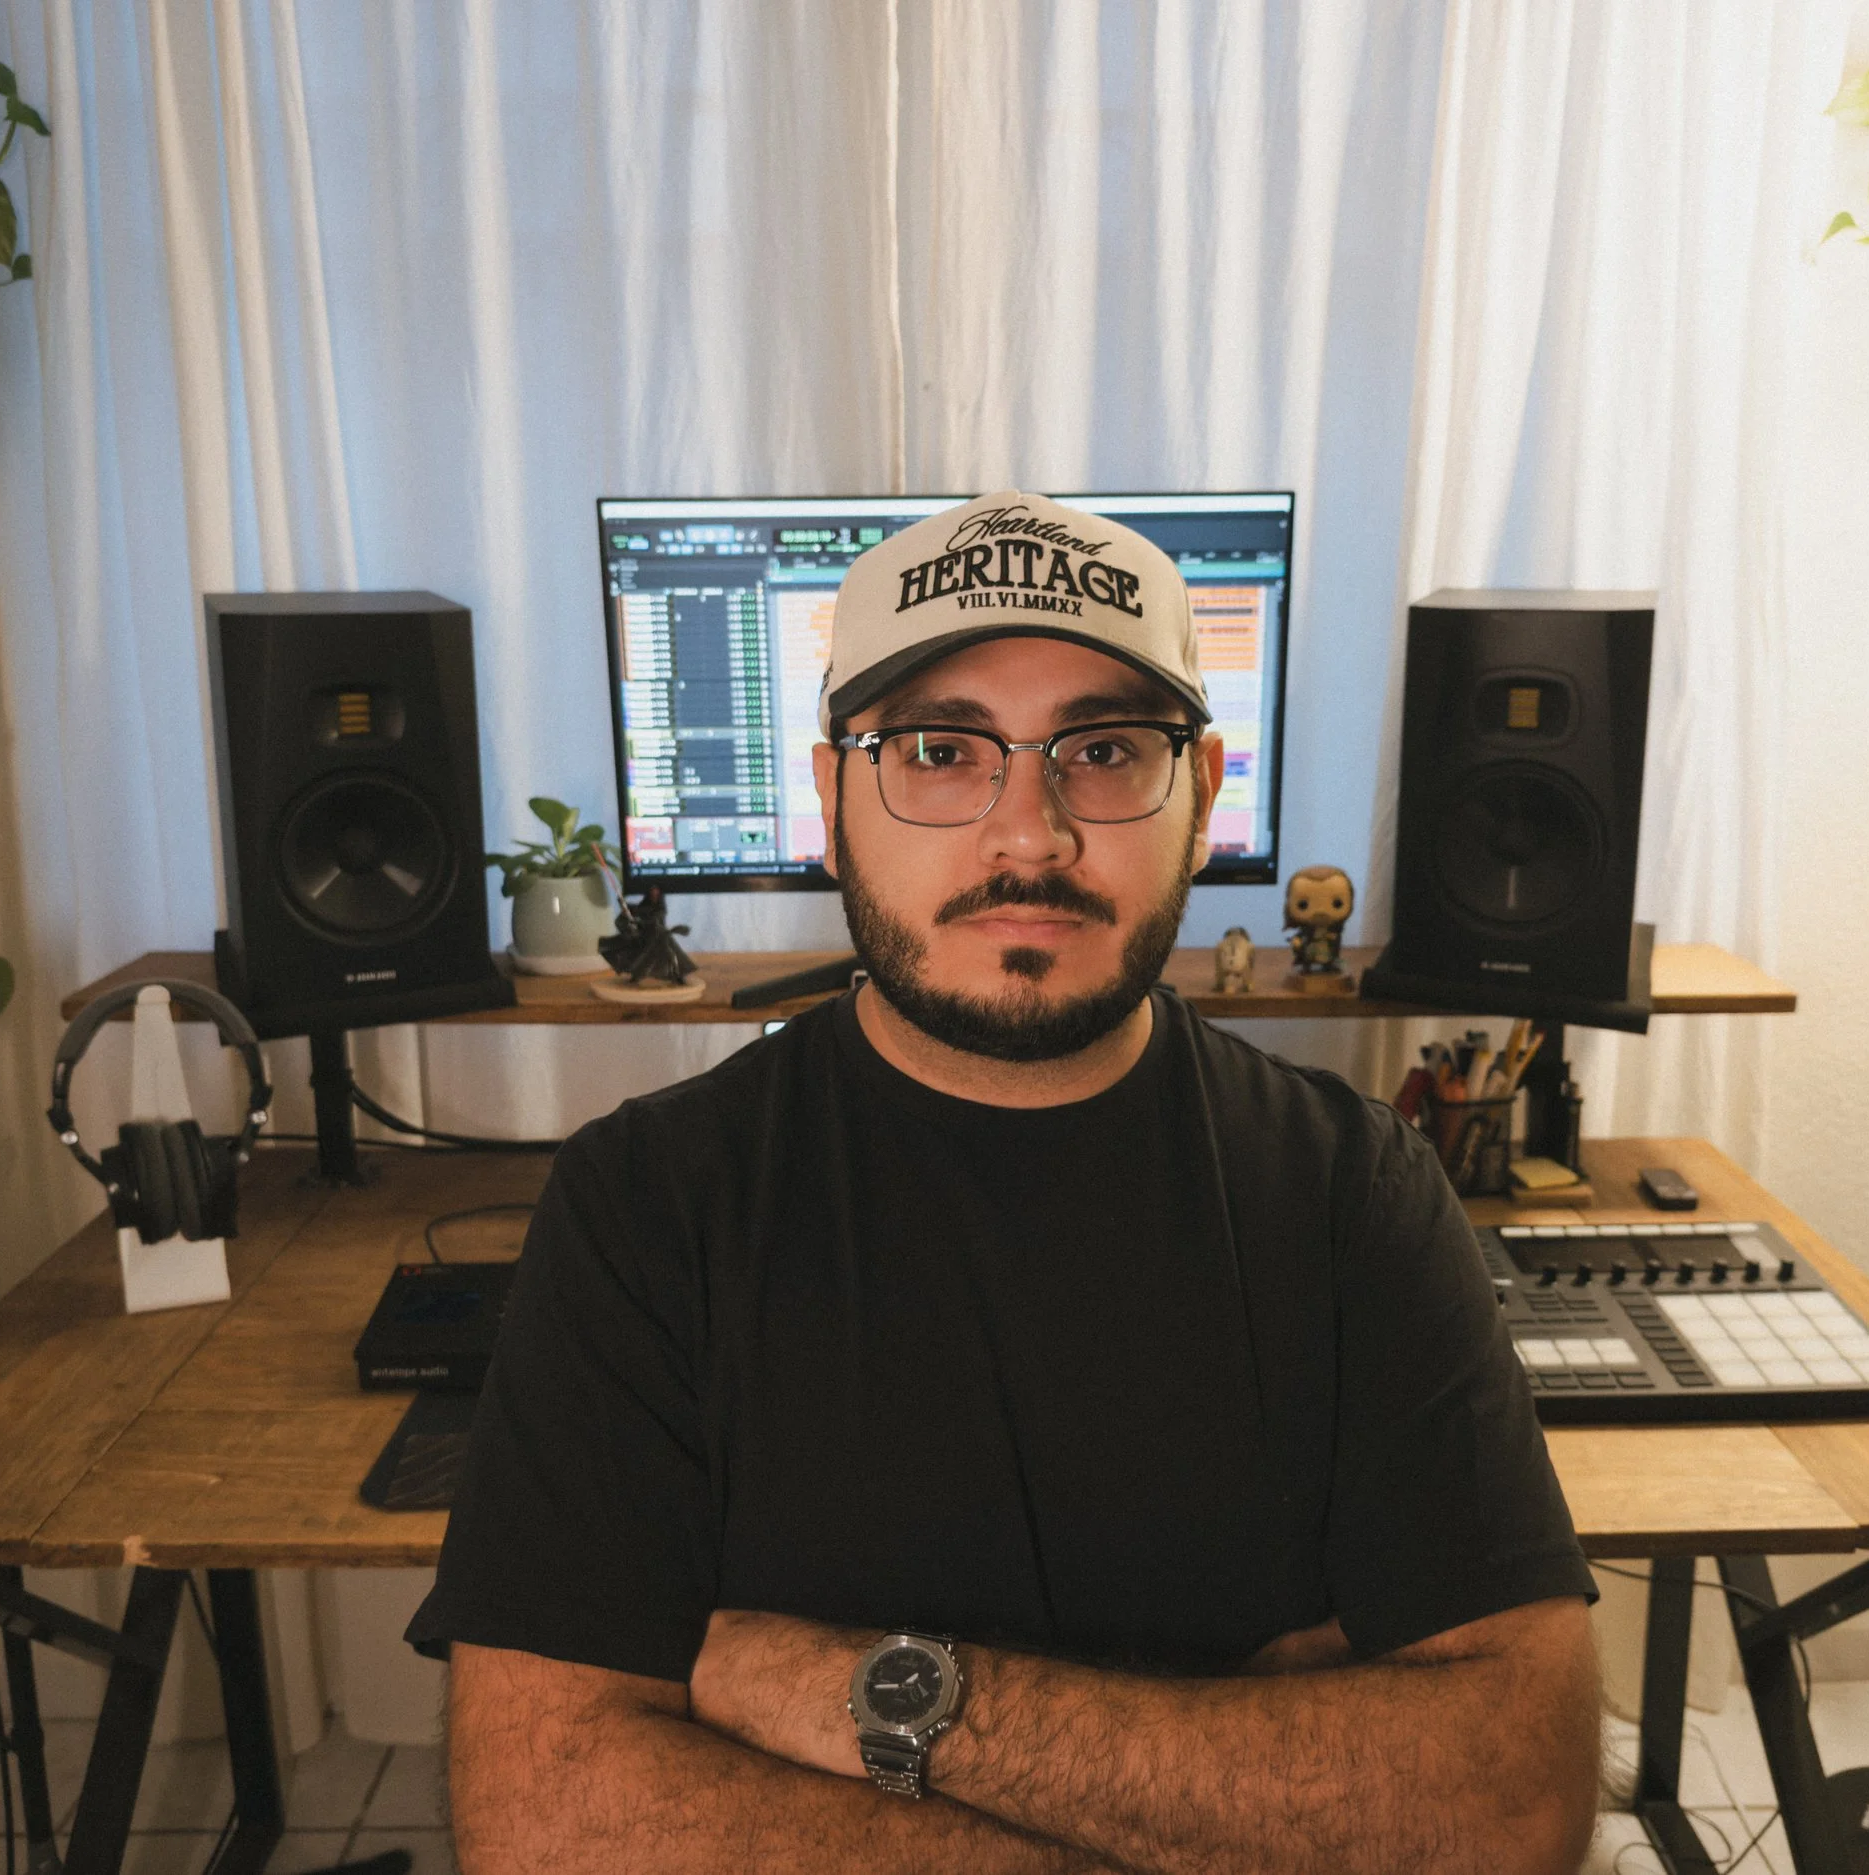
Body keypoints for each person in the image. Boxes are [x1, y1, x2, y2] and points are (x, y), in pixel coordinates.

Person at [410, 491, 1603, 1873]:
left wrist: (850, 1695)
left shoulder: (1358, 1195)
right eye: (937, 748)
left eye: (1103, 750)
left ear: (1204, 795)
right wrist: (1237, 1794)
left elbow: (1509, 1802)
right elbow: (546, 1816)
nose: (1027, 836)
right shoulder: (649, 1204)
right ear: (830, 794)